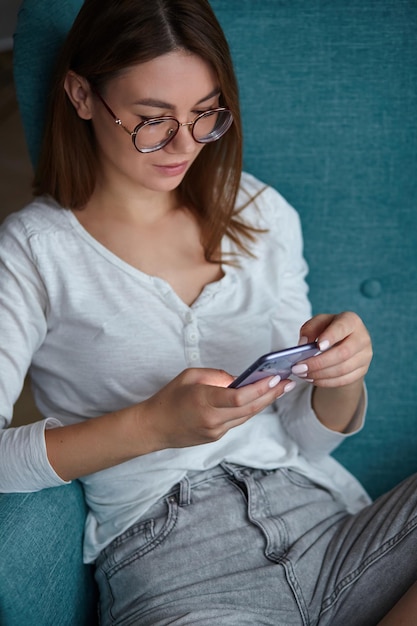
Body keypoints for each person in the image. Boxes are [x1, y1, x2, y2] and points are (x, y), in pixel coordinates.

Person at [0, 0, 416, 624]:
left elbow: (309, 439)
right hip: (177, 569)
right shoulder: (33, 253)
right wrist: (151, 427)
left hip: (330, 537)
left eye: (205, 115)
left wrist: (343, 377)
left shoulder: (263, 213)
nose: (184, 145)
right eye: (153, 119)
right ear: (82, 95)